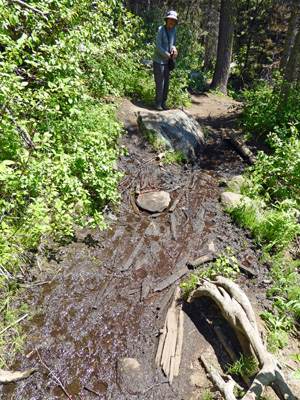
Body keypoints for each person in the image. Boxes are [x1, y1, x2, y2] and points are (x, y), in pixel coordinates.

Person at [153, 10, 178, 111]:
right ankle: (158, 104)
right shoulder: (161, 29)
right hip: (159, 60)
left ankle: (163, 103)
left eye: (173, 20)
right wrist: (168, 55)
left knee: (166, 83)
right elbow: (158, 47)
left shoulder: (173, 30)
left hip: (167, 61)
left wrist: (174, 49)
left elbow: (173, 43)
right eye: (170, 19)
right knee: (160, 83)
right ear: (167, 19)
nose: (171, 21)